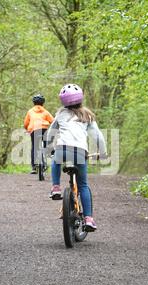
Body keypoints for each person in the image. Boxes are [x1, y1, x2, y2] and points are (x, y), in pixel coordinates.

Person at [46, 84, 107, 231]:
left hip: (62, 149)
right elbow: (98, 136)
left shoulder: (60, 114)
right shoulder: (87, 116)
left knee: (56, 160)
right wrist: (103, 152)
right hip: (80, 152)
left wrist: (49, 149)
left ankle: (55, 188)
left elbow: (50, 134)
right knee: (83, 185)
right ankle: (89, 219)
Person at [23, 94, 54, 174]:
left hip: (34, 130)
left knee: (34, 147)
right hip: (44, 129)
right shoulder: (45, 112)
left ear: (33, 103)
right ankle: (49, 153)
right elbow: (53, 121)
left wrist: (27, 129)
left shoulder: (30, 111)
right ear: (43, 103)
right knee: (46, 143)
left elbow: (26, 123)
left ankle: (34, 167)